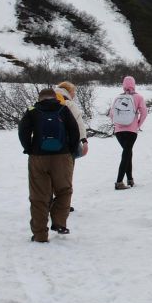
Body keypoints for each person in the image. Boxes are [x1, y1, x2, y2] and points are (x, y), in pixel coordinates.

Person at [18, 87, 81, 242]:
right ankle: (59, 222)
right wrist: (71, 150)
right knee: (64, 191)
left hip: (38, 157)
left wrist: (29, 148)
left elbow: (23, 131)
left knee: (39, 196)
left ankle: (40, 234)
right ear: (55, 97)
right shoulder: (63, 109)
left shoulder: (32, 111)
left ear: (40, 98)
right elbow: (75, 131)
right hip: (62, 157)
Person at [53, 80, 88, 213]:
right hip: (66, 147)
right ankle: (63, 204)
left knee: (50, 176)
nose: (74, 95)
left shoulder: (44, 102)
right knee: (65, 177)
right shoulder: (68, 104)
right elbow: (79, 124)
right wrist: (84, 141)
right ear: (68, 91)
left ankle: (49, 202)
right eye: (74, 92)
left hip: (44, 148)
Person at [108, 75, 148, 190]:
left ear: (123, 86)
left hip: (119, 131)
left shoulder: (117, 98)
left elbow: (112, 114)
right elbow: (144, 113)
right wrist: (138, 125)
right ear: (134, 85)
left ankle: (130, 179)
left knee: (127, 152)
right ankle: (119, 181)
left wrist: (117, 125)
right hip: (131, 130)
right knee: (126, 153)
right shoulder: (138, 97)